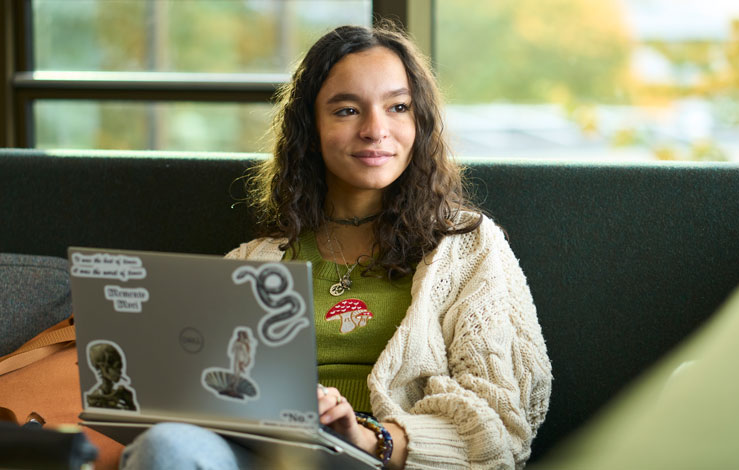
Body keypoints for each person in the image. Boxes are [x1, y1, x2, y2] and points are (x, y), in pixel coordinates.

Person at [120, 23, 551, 470]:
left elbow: (502, 424)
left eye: (398, 107)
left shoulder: (468, 248)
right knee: (167, 446)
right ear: (311, 128)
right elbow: (201, 396)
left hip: (382, 459)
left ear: (419, 121)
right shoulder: (252, 261)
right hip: (264, 457)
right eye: (347, 110)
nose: (375, 129)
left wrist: (368, 438)